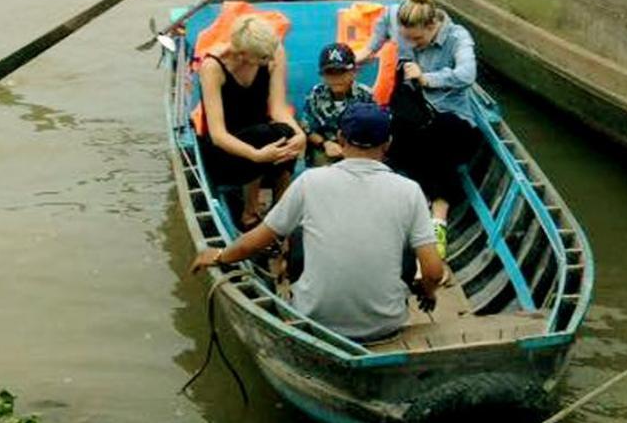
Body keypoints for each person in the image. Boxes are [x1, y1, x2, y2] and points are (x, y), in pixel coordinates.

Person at [191, 103, 445, 343]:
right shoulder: (410, 191)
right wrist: (428, 292)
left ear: (341, 139)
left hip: (314, 319)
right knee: (406, 246)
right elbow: (433, 272)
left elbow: (258, 240)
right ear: (388, 143)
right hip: (387, 324)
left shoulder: (309, 182)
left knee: (298, 235)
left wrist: (221, 255)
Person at [365, 0, 479, 258]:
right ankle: (405, 200)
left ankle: (437, 217)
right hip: (416, 111)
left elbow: (467, 74)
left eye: (416, 40)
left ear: (432, 27)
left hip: (452, 120)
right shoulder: (401, 16)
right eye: (407, 39)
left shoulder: (457, 37)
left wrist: (427, 78)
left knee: (435, 138)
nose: (411, 45)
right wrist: (368, 51)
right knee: (394, 136)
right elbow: (385, 19)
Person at [197, 14, 305, 228]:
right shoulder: (213, 67)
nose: (270, 61)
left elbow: (278, 108)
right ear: (243, 53)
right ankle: (250, 211)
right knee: (262, 135)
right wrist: (256, 156)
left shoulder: (273, 52)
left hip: (261, 139)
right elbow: (218, 135)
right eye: (263, 58)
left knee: (287, 133)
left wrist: (300, 134)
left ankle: (280, 207)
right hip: (227, 149)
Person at [299, 42, 375, 167]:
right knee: (322, 165)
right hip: (325, 148)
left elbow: (373, 129)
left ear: (353, 72)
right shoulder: (315, 95)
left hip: (360, 149)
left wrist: (355, 150)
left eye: (341, 72)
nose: (336, 78)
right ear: (322, 75)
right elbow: (308, 128)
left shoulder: (366, 95)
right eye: (330, 73)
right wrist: (325, 144)